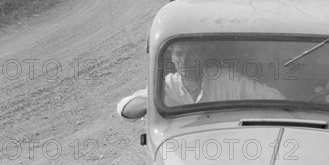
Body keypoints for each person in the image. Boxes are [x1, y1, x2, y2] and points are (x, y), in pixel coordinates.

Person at [117, 43, 284, 119]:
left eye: (192, 54)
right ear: (173, 58)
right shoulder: (168, 86)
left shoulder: (225, 79)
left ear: (203, 56)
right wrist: (154, 103)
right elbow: (124, 108)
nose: (185, 61)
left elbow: (272, 97)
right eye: (179, 54)